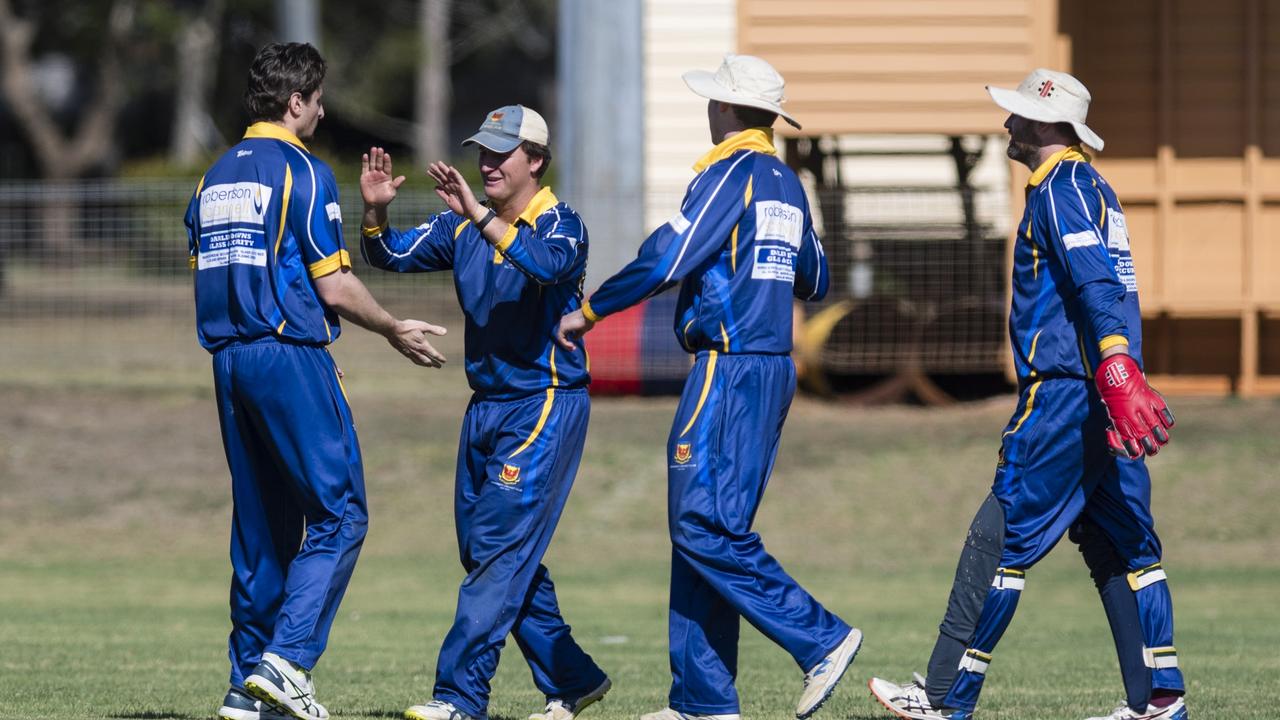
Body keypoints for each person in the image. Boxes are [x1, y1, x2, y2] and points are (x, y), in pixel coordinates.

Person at [867, 69, 1185, 720]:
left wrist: (1117, 369)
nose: (1006, 125)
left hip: (1069, 395)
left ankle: (941, 698)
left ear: (1044, 124)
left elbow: (1097, 287)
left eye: (1015, 115)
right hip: (1105, 395)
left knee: (998, 539)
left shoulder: (1061, 188)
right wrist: (1121, 375)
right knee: (1123, 550)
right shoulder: (1096, 186)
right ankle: (1158, 700)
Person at [556, 54, 862, 720]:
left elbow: (669, 255)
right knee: (716, 528)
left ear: (722, 109)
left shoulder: (728, 175)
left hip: (727, 367)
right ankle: (702, 701)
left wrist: (591, 310)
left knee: (697, 524)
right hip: (776, 367)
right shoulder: (785, 181)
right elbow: (815, 277)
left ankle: (819, 637)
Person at [187, 42, 448, 720]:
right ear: (295, 102)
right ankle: (288, 662)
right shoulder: (300, 171)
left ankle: (246, 687)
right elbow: (332, 284)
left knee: (262, 532)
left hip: (228, 361)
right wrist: (392, 327)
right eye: (318, 98)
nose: (325, 109)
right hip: (286, 356)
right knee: (340, 513)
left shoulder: (212, 176)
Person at [359, 105, 609, 720]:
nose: (488, 162)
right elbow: (387, 255)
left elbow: (548, 265)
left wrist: (476, 214)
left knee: (498, 547)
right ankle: (572, 677)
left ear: (536, 161)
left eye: (503, 152)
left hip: (544, 405)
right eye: (483, 150)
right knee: (487, 550)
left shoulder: (562, 223)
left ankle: (459, 697)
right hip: (485, 408)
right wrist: (376, 209)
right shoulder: (463, 228)